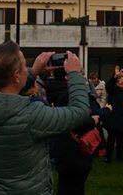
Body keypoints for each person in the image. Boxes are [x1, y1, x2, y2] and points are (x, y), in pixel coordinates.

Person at [0, 43, 91, 194]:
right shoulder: (30, 115)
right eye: (25, 66)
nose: (28, 69)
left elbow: (6, 93)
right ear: (17, 75)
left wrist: (35, 71)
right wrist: (75, 74)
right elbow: (80, 112)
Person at [47, 62, 101, 195]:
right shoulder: (67, 95)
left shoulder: (62, 92)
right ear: (68, 77)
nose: (83, 77)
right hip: (73, 151)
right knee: (72, 186)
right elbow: (77, 119)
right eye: (79, 73)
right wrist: (93, 119)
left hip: (70, 151)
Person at [104, 74, 123, 162]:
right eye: (120, 81)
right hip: (114, 118)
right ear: (117, 83)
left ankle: (119, 156)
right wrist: (114, 77)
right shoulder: (114, 91)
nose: (122, 82)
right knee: (111, 139)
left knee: (121, 139)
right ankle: (108, 157)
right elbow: (108, 86)